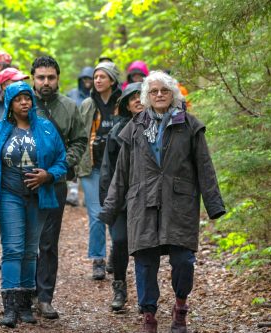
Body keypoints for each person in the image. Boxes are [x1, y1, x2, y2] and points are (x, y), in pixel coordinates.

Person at [99, 71, 225, 333]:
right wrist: (109, 209)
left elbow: (204, 166)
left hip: (179, 203)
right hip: (142, 203)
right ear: (146, 96)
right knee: (145, 262)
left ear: (173, 94)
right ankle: (149, 317)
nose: (159, 95)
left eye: (164, 91)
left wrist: (214, 204)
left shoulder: (189, 125)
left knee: (183, 260)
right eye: (153, 91)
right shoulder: (133, 128)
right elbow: (121, 172)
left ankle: (180, 307)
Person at [0, 81, 67, 328]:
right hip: (8, 196)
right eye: (18, 99)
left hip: (39, 197)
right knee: (13, 248)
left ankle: (26, 305)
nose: (24, 102)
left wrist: (48, 175)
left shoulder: (46, 128)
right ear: (10, 103)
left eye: (27, 98)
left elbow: (62, 160)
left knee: (30, 250)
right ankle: (10, 306)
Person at [30, 56, 87, 320]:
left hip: (56, 184)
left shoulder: (68, 106)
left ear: (58, 79)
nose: (45, 82)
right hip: (23, 185)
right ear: (33, 79)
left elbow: (79, 140)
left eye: (50, 77)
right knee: (23, 241)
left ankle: (44, 297)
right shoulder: (21, 103)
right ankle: (22, 293)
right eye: (41, 77)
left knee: (48, 243)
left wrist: (60, 167)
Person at [99, 82, 144, 311]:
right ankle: (119, 287)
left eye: (141, 95)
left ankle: (147, 296)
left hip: (147, 199)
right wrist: (107, 201)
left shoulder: (160, 128)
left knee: (145, 248)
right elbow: (107, 169)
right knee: (119, 241)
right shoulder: (116, 132)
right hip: (121, 197)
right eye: (133, 97)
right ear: (126, 103)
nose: (138, 100)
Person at [78, 61, 122, 280]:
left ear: (112, 80)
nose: (97, 80)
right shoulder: (87, 105)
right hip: (92, 168)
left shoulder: (122, 103)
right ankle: (98, 259)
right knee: (96, 215)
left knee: (115, 213)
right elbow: (79, 134)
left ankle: (116, 252)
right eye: (95, 77)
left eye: (102, 77)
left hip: (117, 169)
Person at [65, 66, 94, 206]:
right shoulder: (72, 94)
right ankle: (73, 192)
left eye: (90, 79)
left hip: (91, 131)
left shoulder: (95, 95)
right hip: (74, 130)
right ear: (81, 80)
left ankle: (89, 195)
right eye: (85, 79)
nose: (88, 81)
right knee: (74, 159)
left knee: (87, 161)